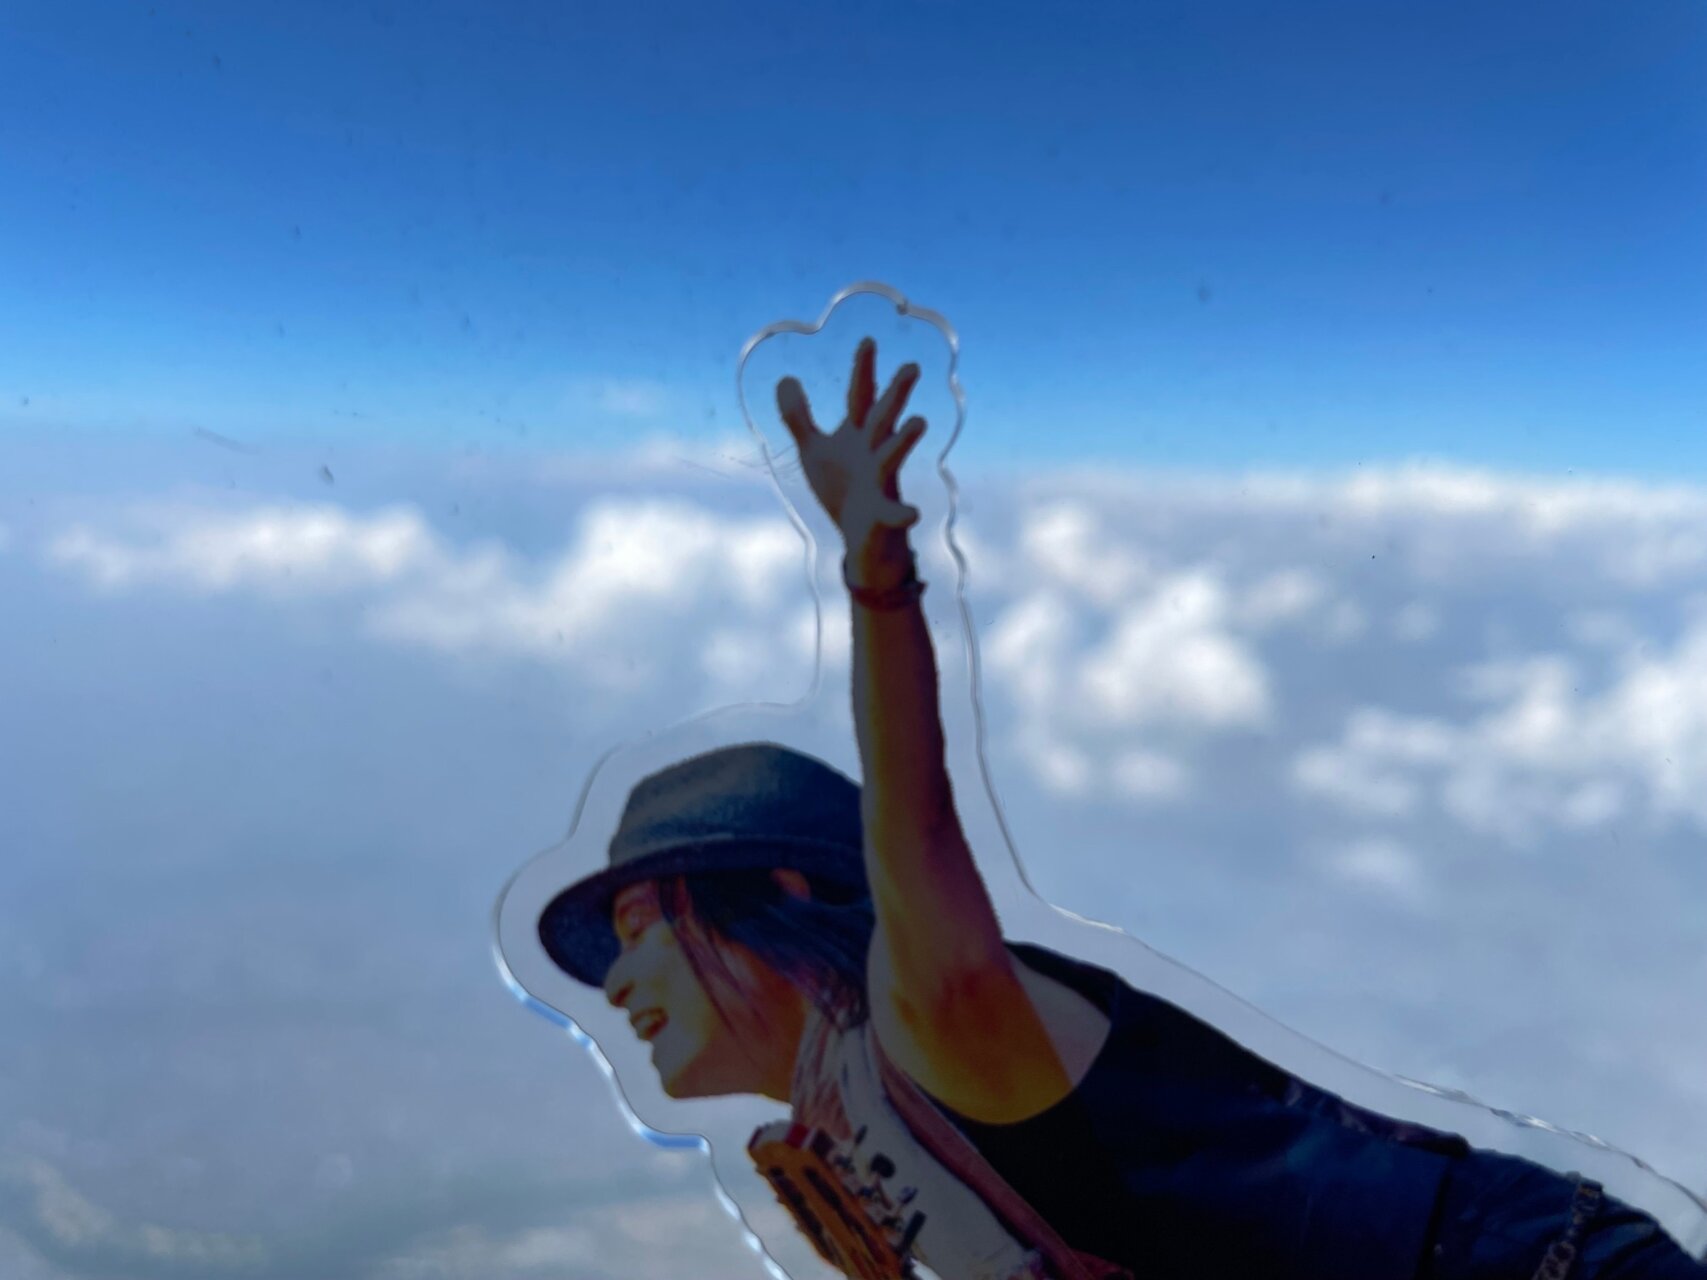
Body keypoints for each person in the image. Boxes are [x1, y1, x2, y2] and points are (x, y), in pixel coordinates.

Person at [536, 339, 1707, 1279]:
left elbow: (915, 831)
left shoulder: (920, 1019)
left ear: (783, 895)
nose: (618, 982)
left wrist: (877, 584)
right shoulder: (850, 1121)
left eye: (644, 925)